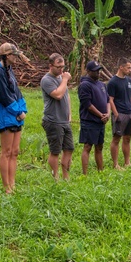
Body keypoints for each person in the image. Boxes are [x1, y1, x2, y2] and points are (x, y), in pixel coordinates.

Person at [0, 43, 29, 194]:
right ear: (6, 56)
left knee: (15, 151)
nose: (16, 58)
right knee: (6, 151)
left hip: (15, 113)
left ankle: (13, 184)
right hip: (4, 113)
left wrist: (22, 108)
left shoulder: (9, 69)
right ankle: (6, 187)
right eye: (13, 55)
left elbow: (16, 91)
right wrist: (17, 112)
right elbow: (4, 95)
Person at [41, 53, 73, 181]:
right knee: (55, 150)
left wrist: (69, 114)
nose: (61, 70)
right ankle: (56, 176)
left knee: (69, 148)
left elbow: (67, 96)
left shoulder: (60, 78)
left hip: (65, 120)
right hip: (53, 120)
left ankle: (66, 175)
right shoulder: (46, 80)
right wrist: (65, 79)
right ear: (50, 66)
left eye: (63, 67)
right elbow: (58, 95)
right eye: (58, 67)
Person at [78, 60, 110, 174]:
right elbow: (87, 105)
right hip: (89, 120)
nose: (98, 73)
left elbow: (107, 100)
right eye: (95, 71)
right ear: (88, 71)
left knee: (99, 146)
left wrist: (108, 113)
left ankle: (100, 171)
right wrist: (100, 115)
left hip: (101, 121)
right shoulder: (84, 85)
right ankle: (85, 173)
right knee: (87, 146)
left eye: (99, 70)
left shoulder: (102, 85)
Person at [107, 58, 131, 169]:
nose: (130, 70)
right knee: (116, 138)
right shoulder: (112, 82)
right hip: (120, 113)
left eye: (130, 67)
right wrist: (116, 114)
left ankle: (127, 162)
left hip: (130, 113)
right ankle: (115, 164)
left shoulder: (129, 81)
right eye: (128, 67)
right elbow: (110, 99)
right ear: (121, 67)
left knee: (127, 138)